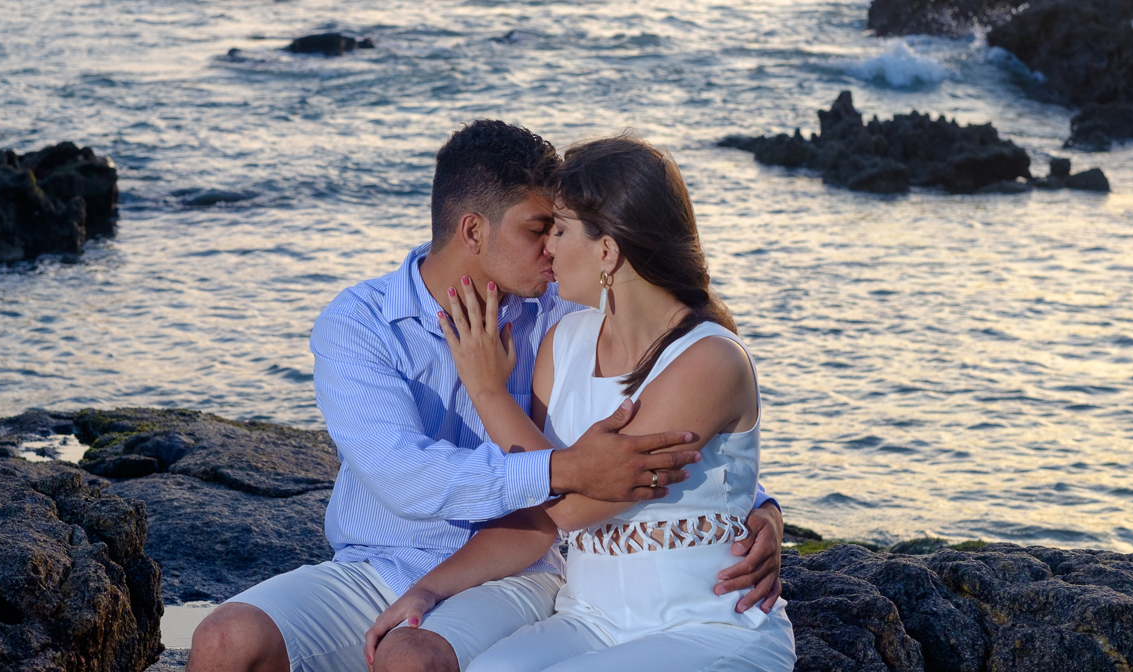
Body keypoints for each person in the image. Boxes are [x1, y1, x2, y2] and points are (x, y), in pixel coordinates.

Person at [188, 121, 785, 672]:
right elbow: (407, 479)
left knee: (410, 658)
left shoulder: (560, 311)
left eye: (558, 229)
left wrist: (759, 506)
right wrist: (562, 467)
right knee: (225, 639)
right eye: (536, 229)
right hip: (384, 563)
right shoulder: (363, 324)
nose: (550, 249)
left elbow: (676, 413)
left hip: (521, 566)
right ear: (473, 229)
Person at [365, 134, 795, 672]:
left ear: (608, 252)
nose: (546, 247)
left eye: (560, 230)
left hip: (705, 627)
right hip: (591, 620)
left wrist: (488, 391)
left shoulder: (709, 361)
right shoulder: (562, 344)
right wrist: (426, 592)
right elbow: (539, 518)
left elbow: (572, 506)